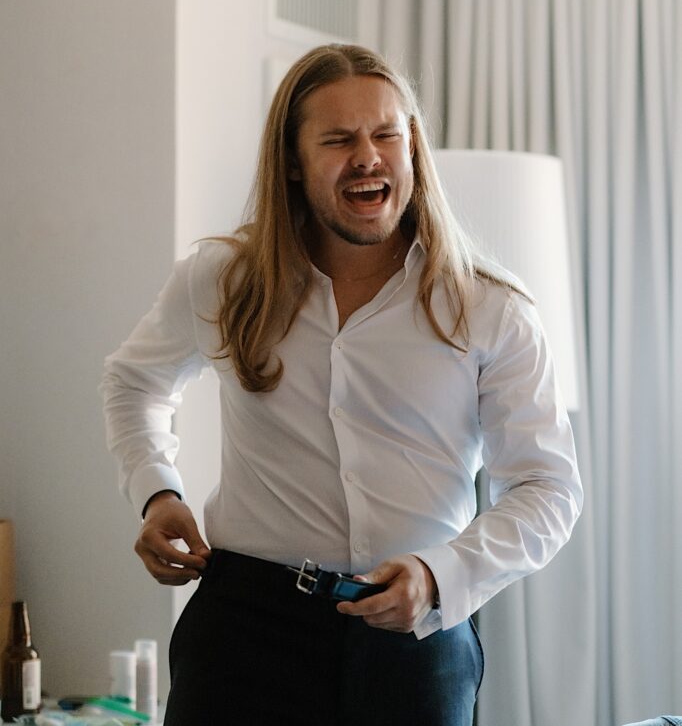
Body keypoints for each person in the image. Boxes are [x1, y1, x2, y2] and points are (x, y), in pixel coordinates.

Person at [100, 43, 583, 726]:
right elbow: (132, 382)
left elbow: (549, 488)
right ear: (293, 164)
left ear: (412, 149)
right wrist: (155, 490)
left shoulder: (491, 308)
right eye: (338, 139)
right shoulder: (221, 278)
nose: (368, 156)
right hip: (243, 633)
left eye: (387, 133)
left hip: (416, 641)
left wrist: (443, 574)